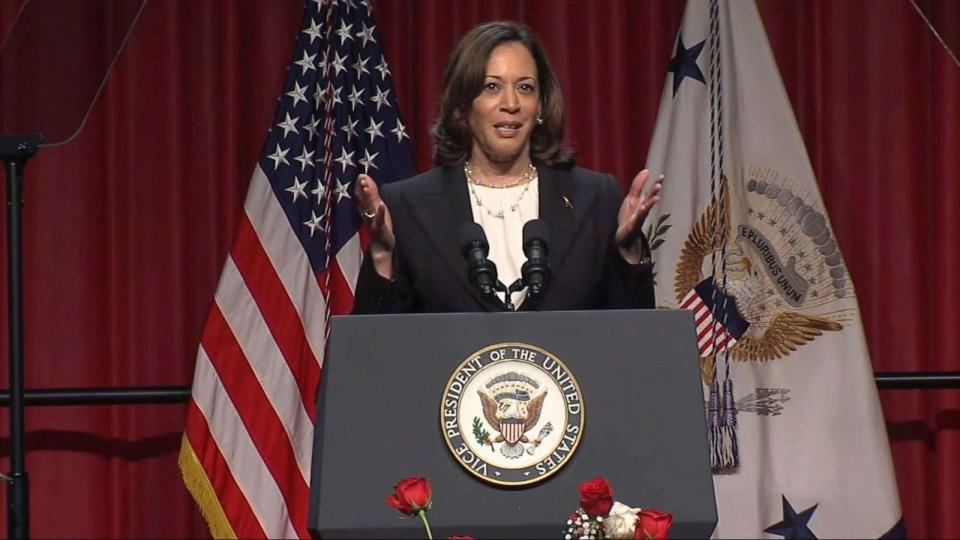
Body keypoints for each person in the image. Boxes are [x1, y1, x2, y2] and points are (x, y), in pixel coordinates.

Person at [351, 20, 663, 314]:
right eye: (491, 87)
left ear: (540, 105)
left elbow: (632, 340)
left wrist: (628, 252)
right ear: (462, 106)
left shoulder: (594, 198)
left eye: (525, 87)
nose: (511, 103)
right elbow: (374, 350)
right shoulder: (409, 206)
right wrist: (381, 255)